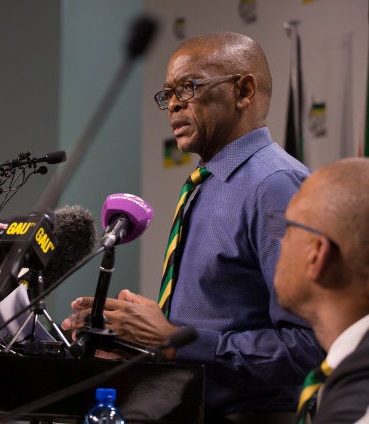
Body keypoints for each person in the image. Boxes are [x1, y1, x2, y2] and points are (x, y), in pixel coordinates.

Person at [60, 31, 325, 423]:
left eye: (188, 88)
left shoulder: (276, 186)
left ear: (244, 91)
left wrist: (174, 341)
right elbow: (212, 322)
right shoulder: (209, 182)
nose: (172, 105)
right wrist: (130, 340)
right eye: (167, 93)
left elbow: (310, 346)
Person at [272, 157, 369, 424]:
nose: (279, 240)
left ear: (317, 255)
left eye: (288, 228)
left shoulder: (356, 410)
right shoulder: (346, 379)